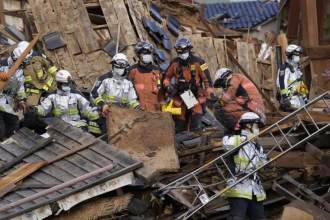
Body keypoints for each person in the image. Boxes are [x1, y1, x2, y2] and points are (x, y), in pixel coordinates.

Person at [223, 112, 272, 220]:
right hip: (238, 186)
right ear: (248, 125)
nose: (258, 129)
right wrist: (245, 139)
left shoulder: (258, 147)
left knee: (259, 218)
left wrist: (268, 165)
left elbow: (262, 167)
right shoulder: (234, 139)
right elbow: (227, 145)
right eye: (256, 125)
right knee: (237, 217)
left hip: (255, 188)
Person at [163, 37, 215, 133]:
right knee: (179, 128)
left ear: (189, 50)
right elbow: (166, 77)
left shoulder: (199, 63)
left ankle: (197, 142)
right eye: (180, 53)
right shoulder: (174, 63)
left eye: (184, 52)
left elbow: (207, 81)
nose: (182, 55)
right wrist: (167, 86)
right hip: (180, 97)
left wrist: (210, 97)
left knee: (196, 127)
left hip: (195, 97)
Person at [25, 70, 99, 132]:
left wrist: (96, 115)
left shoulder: (76, 95)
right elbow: (43, 109)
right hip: (59, 126)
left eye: (68, 84)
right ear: (58, 84)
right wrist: (35, 109)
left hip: (77, 125)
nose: (67, 86)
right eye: (65, 84)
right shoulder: (52, 96)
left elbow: (87, 109)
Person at [90, 53, 140, 137]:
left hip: (122, 117)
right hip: (105, 115)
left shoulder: (129, 82)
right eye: (117, 67)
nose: (119, 69)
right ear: (113, 66)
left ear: (125, 68)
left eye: (121, 68)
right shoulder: (104, 79)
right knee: (106, 137)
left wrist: (137, 107)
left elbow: (132, 100)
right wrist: (103, 106)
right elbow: (94, 94)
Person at [16, 43, 58, 131]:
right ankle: (31, 131)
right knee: (30, 111)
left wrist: (59, 78)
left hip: (48, 84)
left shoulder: (37, 56)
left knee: (61, 99)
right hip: (32, 89)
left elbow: (50, 66)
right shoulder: (15, 63)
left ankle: (61, 123)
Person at [213, 68, 266, 134]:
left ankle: (239, 129)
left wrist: (220, 103)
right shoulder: (241, 80)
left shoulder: (234, 77)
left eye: (221, 83)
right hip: (253, 108)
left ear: (225, 77)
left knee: (219, 111)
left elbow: (230, 92)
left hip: (250, 107)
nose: (222, 86)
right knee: (224, 108)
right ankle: (238, 128)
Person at [128, 41, 166, 111]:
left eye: (149, 53)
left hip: (154, 110)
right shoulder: (132, 71)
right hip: (137, 110)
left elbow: (161, 95)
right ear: (139, 55)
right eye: (145, 53)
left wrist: (163, 109)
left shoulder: (157, 71)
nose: (147, 55)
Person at [0, 48, 26, 142]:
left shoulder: (19, 70)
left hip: (8, 101)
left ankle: (9, 143)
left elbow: (20, 87)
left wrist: (22, 100)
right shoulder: (2, 65)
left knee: (13, 122)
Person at [276, 44, 307, 112]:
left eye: (298, 55)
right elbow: (282, 84)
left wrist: (304, 97)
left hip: (299, 102)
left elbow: (300, 83)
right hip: (289, 103)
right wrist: (285, 99)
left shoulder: (297, 69)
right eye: (296, 55)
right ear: (290, 56)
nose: (298, 57)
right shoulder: (284, 69)